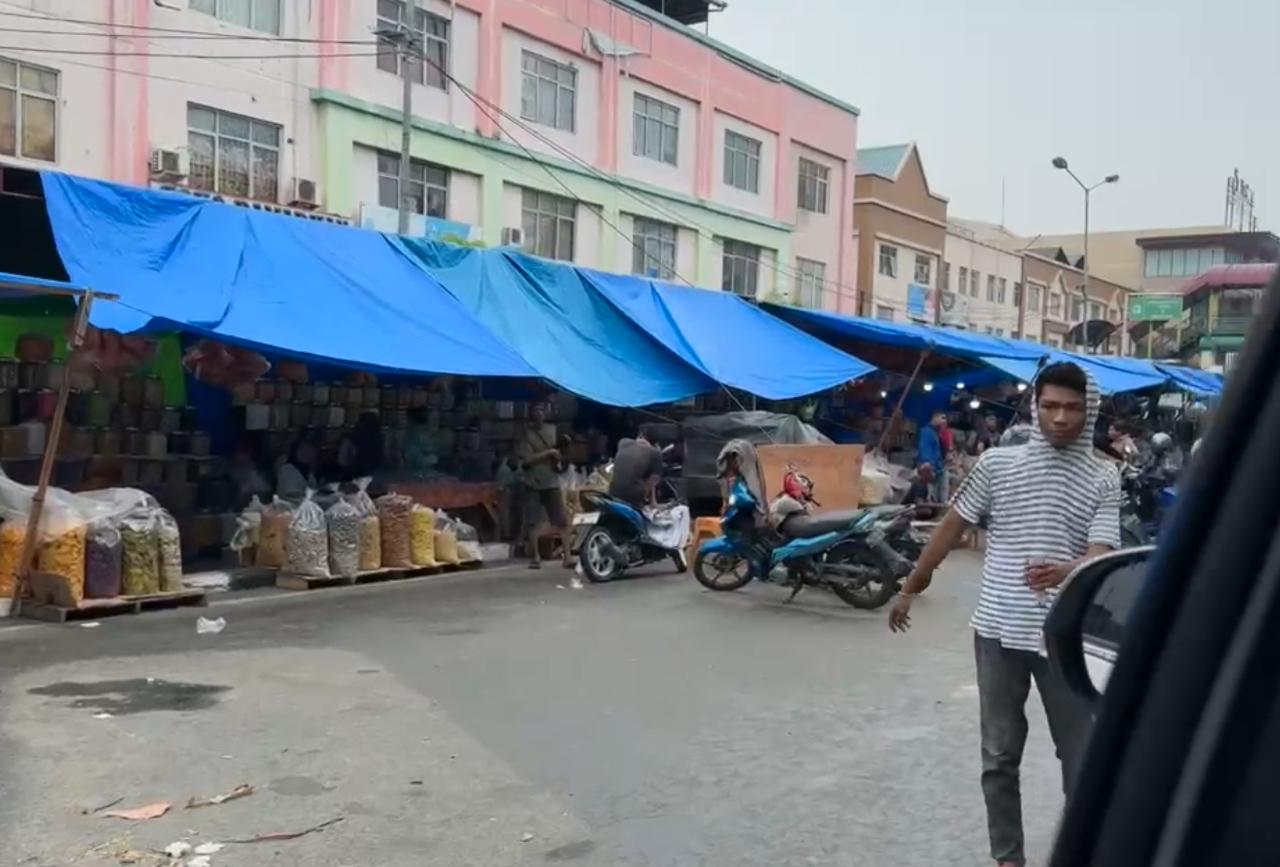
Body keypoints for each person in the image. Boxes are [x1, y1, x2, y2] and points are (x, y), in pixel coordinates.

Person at [889, 361, 1121, 867]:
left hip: (1066, 637)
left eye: (1072, 408)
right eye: (1050, 406)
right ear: (1036, 408)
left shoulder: (1105, 475)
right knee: (998, 755)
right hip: (997, 628)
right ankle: (1008, 859)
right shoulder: (998, 465)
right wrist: (912, 584)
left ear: (1090, 411)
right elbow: (952, 525)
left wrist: (1068, 570)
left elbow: (1103, 551)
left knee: (1079, 756)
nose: (1060, 418)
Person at [518, 400, 573, 570]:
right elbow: (526, 461)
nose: (539, 413)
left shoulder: (552, 430)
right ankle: (535, 557)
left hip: (551, 482)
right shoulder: (526, 434)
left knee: (562, 521)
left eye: (542, 410)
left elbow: (561, 455)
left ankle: (567, 557)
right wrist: (548, 453)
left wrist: (558, 459)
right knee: (533, 522)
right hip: (533, 483)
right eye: (536, 410)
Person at [608, 426, 664, 509]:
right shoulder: (655, 452)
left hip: (612, 492)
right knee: (651, 478)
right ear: (655, 443)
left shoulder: (623, 442)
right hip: (633, 496)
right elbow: (654, 480)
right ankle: (643, 505)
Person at [338, 412, 385, 482]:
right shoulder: (380, 439)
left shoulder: (350, 439)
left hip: (352, 477)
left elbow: (342, 461)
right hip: (376, 478)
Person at [277, 434, 320, 502]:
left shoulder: (309, 474)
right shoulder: (288, 470)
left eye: (311, 450)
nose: (306, 453)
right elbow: (291, 496)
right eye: (303, 449)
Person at [917, 411, 948, 502]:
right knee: (931, 495)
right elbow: (924, 448)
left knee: (941, 496)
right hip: (930, 468)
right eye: (942, 418)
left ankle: (942, 505)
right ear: (935, 418)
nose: (944, 421)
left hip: (939, 467)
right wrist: (927, 463)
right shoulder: (926, 432)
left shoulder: (937, 433)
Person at [401, 407, 441, 474]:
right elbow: (420, 462)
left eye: (437, 420)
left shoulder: (432, 439)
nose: (437, 424)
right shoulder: (413, 438)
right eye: (434, 420)